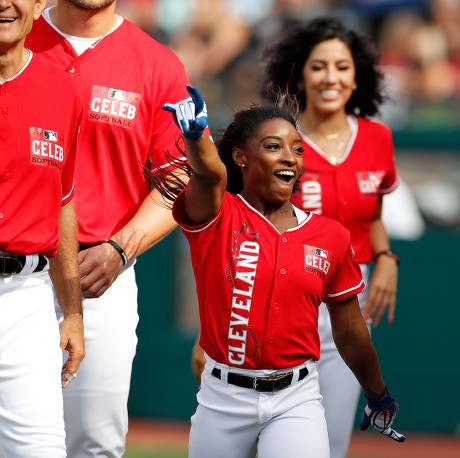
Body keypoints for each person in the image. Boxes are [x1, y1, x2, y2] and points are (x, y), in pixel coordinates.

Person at [150, 84, 405, 458]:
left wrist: (378, 393)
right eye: (273, 147)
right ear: (240, 157)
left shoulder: (331, 235)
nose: (291, 158)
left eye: (297, 149)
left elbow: (351, 331)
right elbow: (208, 176)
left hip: (296, 398)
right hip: (223, 398)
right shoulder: (218, 215)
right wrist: (195, 137)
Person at [26, 2, 191, 456]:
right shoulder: (15, 39)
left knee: (95, 445)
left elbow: (178, 179)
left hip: (100, 275)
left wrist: (120, 250)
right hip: (12, 271)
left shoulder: (157, 64)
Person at [258, 16, 401, 458]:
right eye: (318, 66)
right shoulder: (279, 138)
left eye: (341, 66)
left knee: (329, 443)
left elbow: (372, 215)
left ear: (357, 75)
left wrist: (386, 259)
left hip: (349, 307)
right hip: (279, 299)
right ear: (299, 73)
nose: (330, 77)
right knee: (259, 437)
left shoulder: (378, 138)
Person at [0, 0, 85, 456]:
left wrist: (72, 313)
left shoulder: (62, 89)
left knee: (42, 449)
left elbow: (64, 204)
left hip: (28, 302)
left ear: (38, 4)